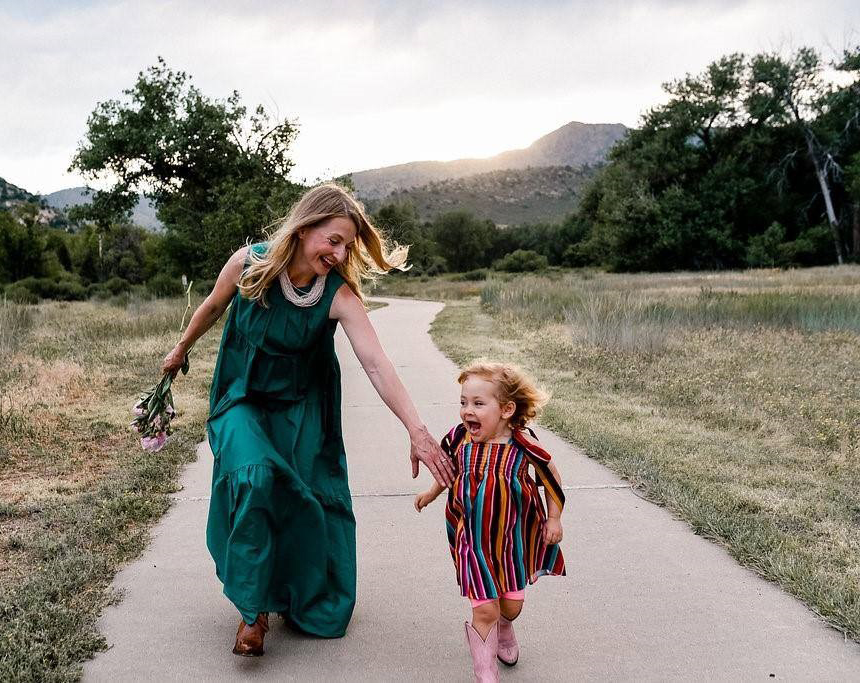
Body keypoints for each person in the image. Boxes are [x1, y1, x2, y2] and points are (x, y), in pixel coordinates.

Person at [161, 183, 454, 657]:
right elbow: (213, 305)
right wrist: (181, 349)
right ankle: (252, 614)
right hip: (243, 397)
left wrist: (417, 431)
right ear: (302, 230)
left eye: (347, 245)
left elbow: (377, 364)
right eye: (331, 240)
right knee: (254, 479)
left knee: (307, 498)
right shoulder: (249, 264)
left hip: (303, 407)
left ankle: (290, 593)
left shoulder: (336, 295)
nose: (339, 253)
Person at [415, 361, 565, 682]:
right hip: (471, 539)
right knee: (485, 610)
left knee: (509, 606)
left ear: (507, 409)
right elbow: (448, 471)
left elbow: (551, 477)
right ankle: (485, 671)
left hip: (511, 542)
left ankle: (506, 628)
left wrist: (554, 518)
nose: (467, 411)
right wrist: (431, 492)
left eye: (478, 404)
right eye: (463, 402)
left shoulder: (523, 445)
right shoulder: (460, 439)